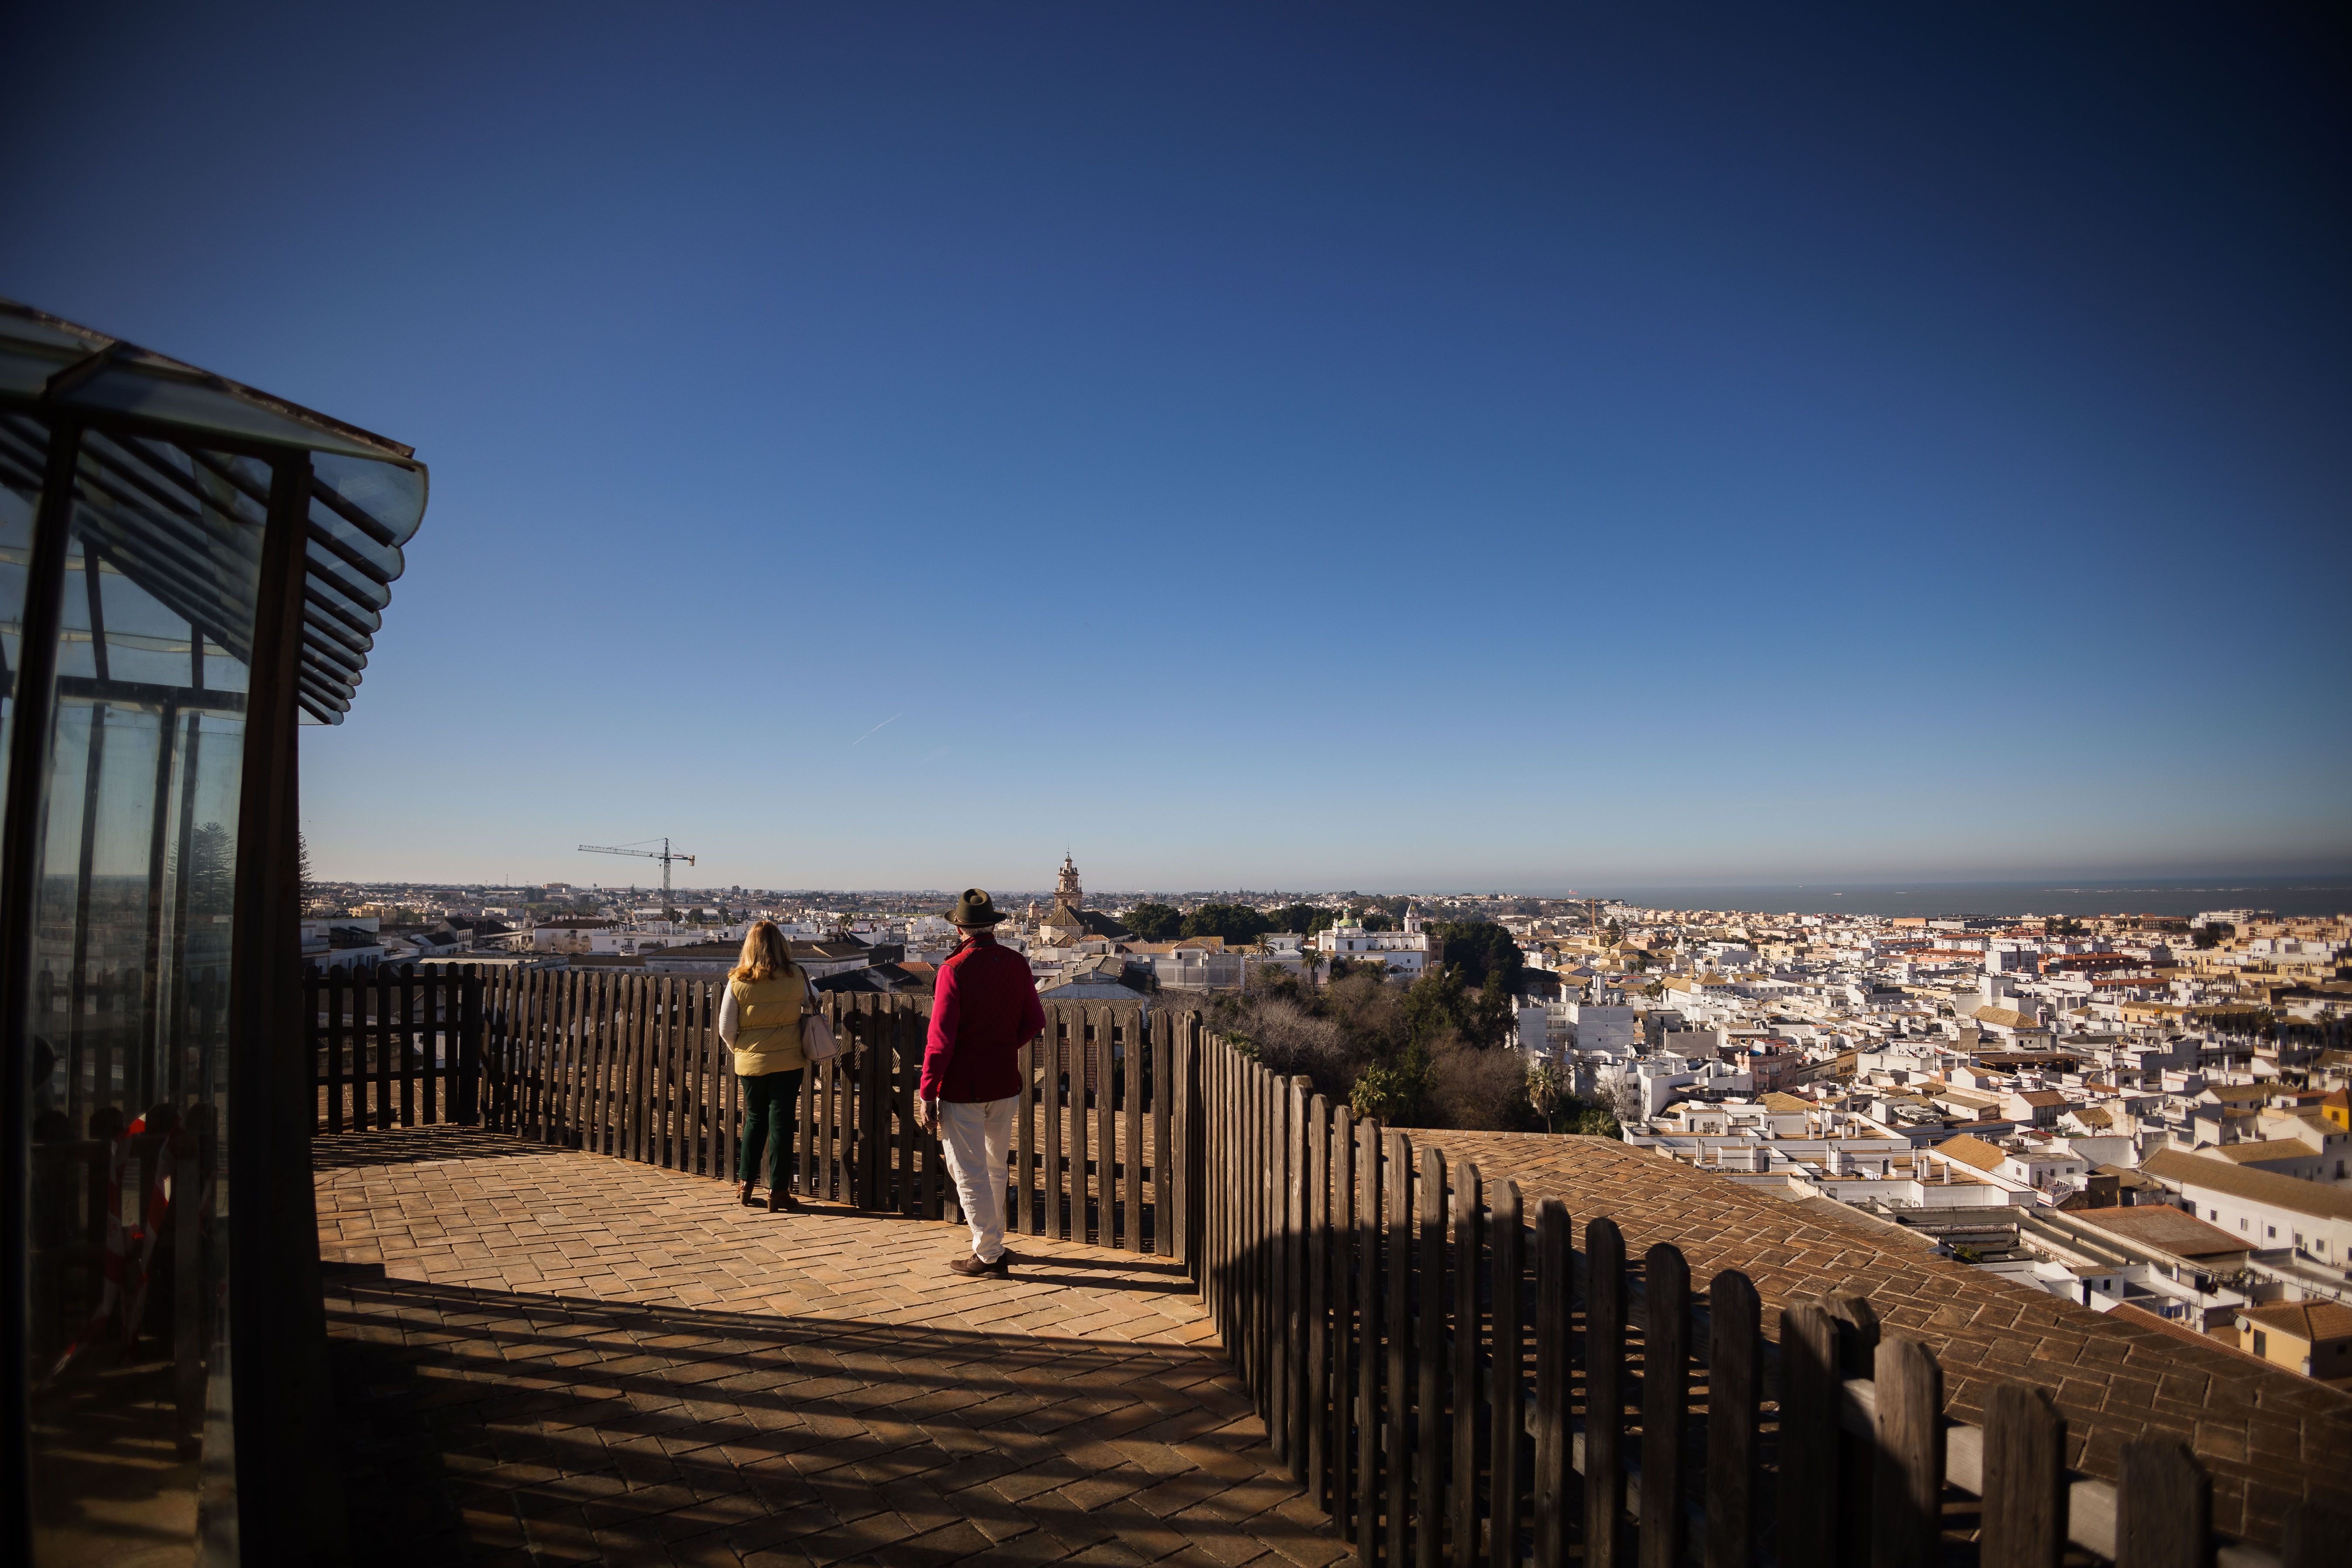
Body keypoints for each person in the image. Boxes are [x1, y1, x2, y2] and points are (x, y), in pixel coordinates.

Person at [916, 888, 1044, 1276]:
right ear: (992, 924)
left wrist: (928, 1091)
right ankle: (994, 1242)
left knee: (967, 1171)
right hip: (1004, 1082)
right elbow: (1034, 1020)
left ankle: (989, 1253)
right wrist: (1005, 1045)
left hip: (963, 1086)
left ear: (960, 929)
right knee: (994, 1166)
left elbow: (940, 1040)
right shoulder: (1016, 962)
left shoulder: (954, 970)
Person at [720, 920, 813, 1212]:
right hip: (788, 1061)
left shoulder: (738, 981)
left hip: (750, 1062)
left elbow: (725, 1027)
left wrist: (743, 1050)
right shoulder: (795, 974)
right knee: (782, 1124)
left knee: (755, 1119)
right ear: (781, 944)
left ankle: (746, 1184)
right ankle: (778, 1189)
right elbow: (815, 999)